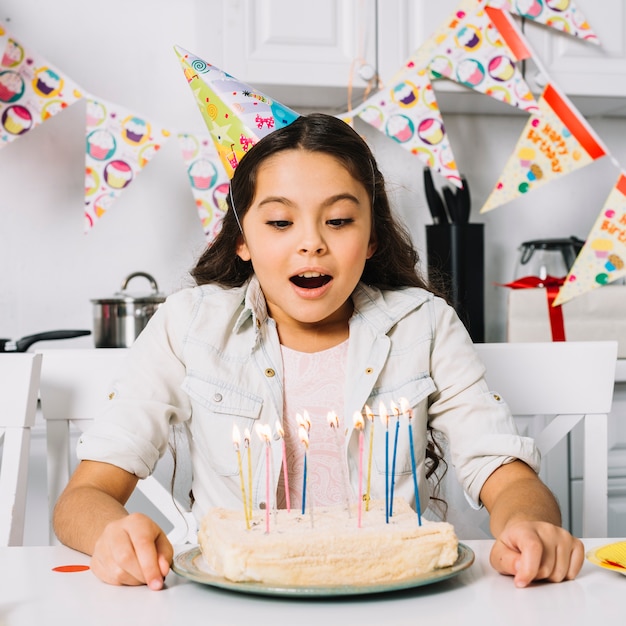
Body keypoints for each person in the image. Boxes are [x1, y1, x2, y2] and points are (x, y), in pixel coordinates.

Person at [54, 113, 584, 591]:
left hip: (397, 597)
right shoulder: (187, 325)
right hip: (230, 600)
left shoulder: (423, 324)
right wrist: (113, 534)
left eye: (338, 220)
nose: (311, 243)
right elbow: (84, 496)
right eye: (281, 222)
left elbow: (505, 471)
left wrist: (529, 524)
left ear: (372, 236)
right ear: (242, 239)